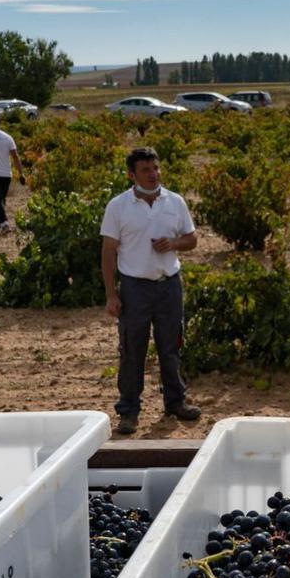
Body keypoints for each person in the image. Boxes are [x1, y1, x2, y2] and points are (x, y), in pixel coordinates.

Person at [100, 147, 202, 436]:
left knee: (171, 347)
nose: (153, 174)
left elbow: (192, 238)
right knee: (133, 351)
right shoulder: (118, 206)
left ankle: (175, 402)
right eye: (145, 170)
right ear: (131, 174)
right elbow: (108, 252)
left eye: (155, 168)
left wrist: (173, 244)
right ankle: (129, 412)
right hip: (134, 287)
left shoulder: (175, 201)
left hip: (169, 284)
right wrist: (111, 294)